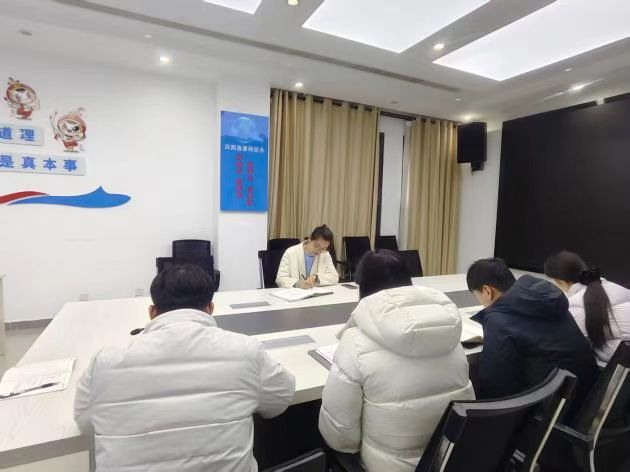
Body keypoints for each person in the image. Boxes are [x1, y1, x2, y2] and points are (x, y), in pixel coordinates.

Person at [74, 264, 295, 472]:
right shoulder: (246, 350)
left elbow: (87, 424)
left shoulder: (105, 361)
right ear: (210, 308)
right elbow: (280, 399)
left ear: (152, 312)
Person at [319, 250, 475, 471]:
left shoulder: (354, 342)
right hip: (450, 459)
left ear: (362, 288)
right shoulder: (447, 330)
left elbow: (340, 437)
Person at [467, 258, 598, 420]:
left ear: (487, 291)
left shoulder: (499, 319)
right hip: (586, 399)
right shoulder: (546, 298)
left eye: (477, 296)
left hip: (550, 415)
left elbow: (496, 385)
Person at [545, 251, 630, 363]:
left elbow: (573, 346)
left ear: (560, 281)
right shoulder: (609, 285)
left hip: (624, 358)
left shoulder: (574, 307)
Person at [276, 224, 339, 288]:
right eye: (316, 246)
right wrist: (298, 284)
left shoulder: (325, 254)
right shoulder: (290, 252)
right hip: (295, 292)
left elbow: (335, 277)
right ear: (310, 240)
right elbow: (280, 278)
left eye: (324, 248)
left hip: (316, 292)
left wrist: (316, 277)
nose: (319, 251)